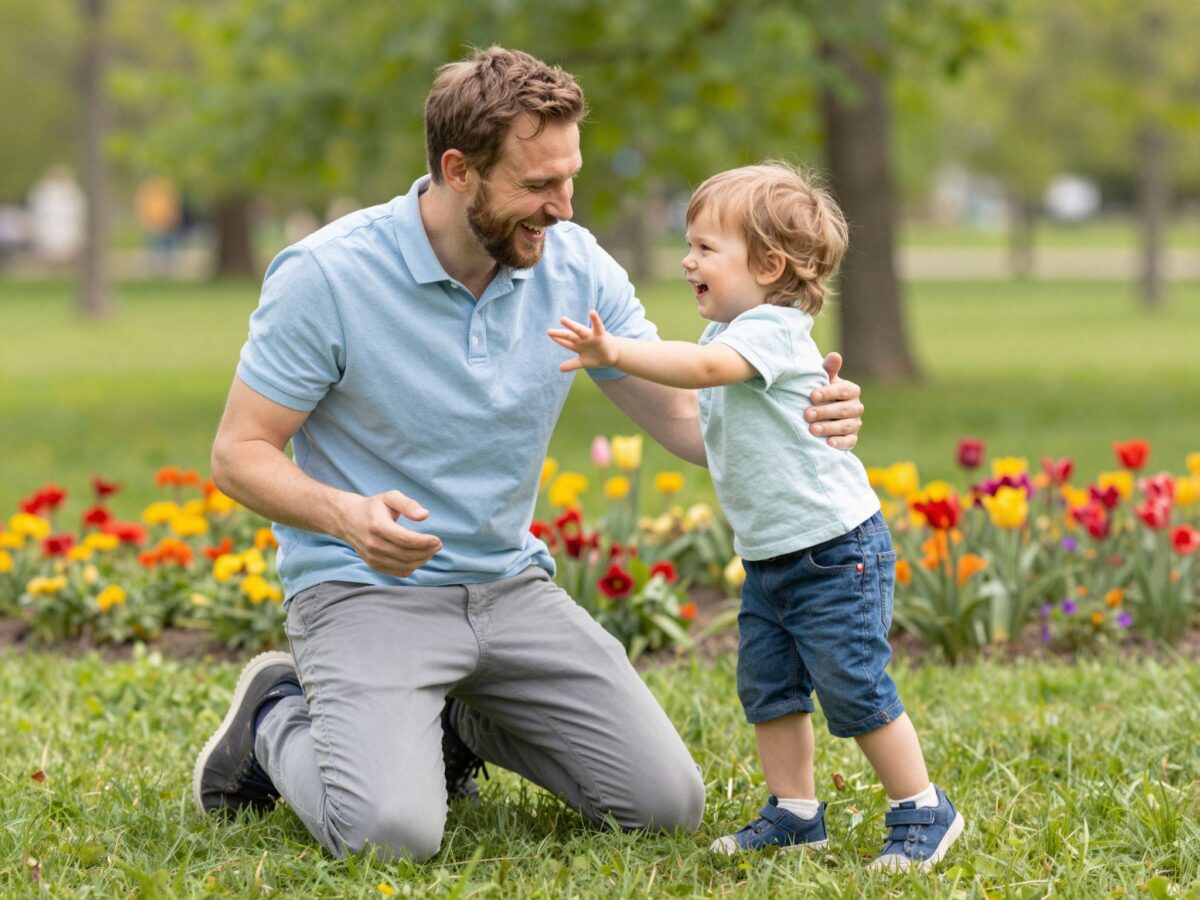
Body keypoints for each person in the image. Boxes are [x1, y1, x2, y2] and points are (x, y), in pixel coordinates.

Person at [193, 48, 865, 862]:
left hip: (510, 589)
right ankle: (274, 716)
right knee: (390, 837)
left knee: (664, 805)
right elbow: (239, 453)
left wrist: (796, 412)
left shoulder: (575, 265)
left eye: (570, 177)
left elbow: (690, 421)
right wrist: (345, 514)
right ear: (458, 170)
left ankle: (451, 713)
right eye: (539, 186)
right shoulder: (328, 275)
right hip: (368, 590)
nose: (564, 206)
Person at [550, 162, 962, 871]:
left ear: (769, 265)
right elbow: (704, 437)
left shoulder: (771, 329)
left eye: (706, 247)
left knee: (853, 684)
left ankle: (922, 806)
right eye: (688, 244)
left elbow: (704, 376)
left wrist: (615, 352)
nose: (687, 260)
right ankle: (796, 814)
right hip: (774, 558)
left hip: (835, 552)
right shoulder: (732, 337)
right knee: (769, 688)